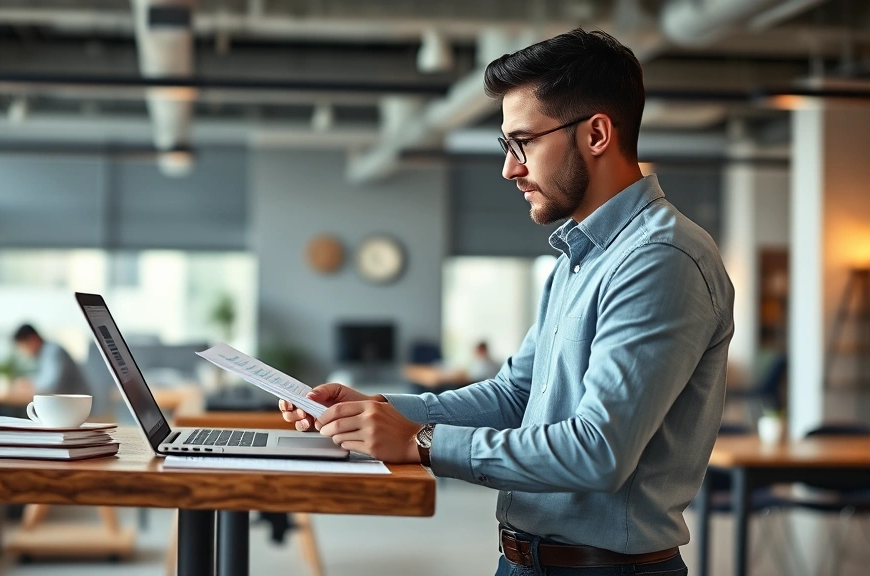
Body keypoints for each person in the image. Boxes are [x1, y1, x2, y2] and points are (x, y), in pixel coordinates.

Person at [281, 29, 733, 576]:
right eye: (506, 146)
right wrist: (381, 410)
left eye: (524, 143)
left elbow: (599, 452)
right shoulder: (578, 256)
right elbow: (516, 395)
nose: (509, 168)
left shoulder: (661, 259)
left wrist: (420, 443)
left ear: (595, 134)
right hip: (527, 563)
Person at [13, 324, 92, 397]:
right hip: (66, 403)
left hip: (76, 405)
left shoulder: (53, 352)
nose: (24, 352)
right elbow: (43, 379)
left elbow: (51, 386)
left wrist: (29, 385)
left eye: (23, 347)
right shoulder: (44, 353)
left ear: (33, 340)